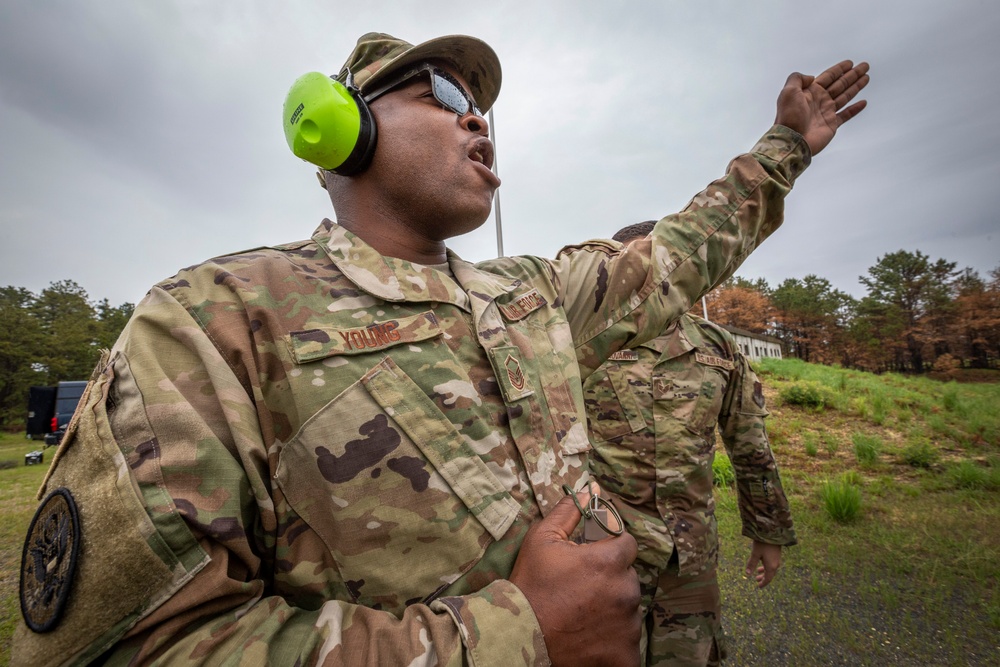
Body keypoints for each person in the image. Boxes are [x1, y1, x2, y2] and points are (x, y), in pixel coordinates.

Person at [13, 31, 868, 666]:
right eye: (448, 98)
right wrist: (513, 635)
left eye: (486, 110)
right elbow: (140, 645)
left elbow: (682, 251)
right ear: (339, 129)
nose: (480, 123)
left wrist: (785, 145)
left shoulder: (534, 296)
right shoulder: (216, 324)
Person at [583, 222, 796, 667]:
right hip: (605, 553)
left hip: (691, 558)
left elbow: (750, 445)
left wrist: (767, 531)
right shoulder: (583, 343)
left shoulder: (718, 347)